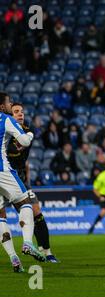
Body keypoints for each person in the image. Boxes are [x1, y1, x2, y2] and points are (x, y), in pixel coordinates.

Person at [7, 103, 59, 262]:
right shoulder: (5, 133)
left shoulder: (27, 132)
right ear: (10, 115)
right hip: (4, 178)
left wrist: (27, 179)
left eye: (22, 111)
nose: (20, 114)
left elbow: (24, 160)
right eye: (16, 112)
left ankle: (47, 251)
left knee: (36, 211)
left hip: (20, 179)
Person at [0, 93, 46, 273]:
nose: (11, 104)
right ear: (2, 106)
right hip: (2, 170)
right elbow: (24, 141)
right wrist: (30, 133)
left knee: (1, 215)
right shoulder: (5, 118)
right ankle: (27, 243)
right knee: (25, 202)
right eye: (9, 102)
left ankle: (13, 257)